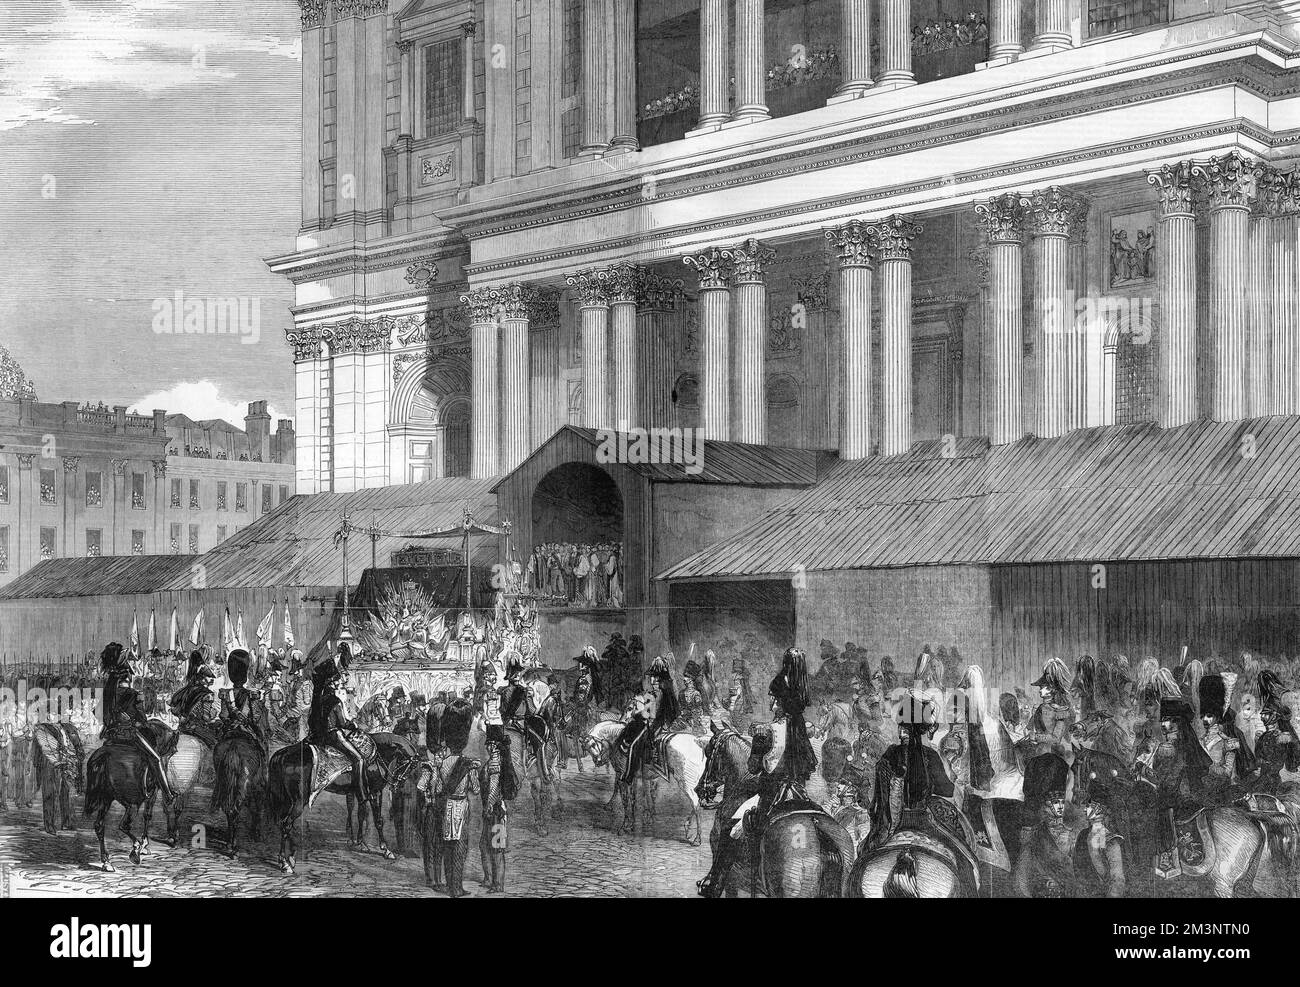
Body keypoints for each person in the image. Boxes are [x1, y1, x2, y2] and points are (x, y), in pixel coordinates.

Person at [100, 642, 176, 804]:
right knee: (155, 758)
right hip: (129, 735)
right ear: (125, 674)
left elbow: (99, 712)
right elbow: (142, 719)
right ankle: (168, 794)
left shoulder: (107, 690)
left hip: (110, 735)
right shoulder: (132, 694)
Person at [421, 700, 479, 897]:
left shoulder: (439, 764)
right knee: (458, 848)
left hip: (443, 806)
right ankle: (455, 887)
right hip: (459, 806)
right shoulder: (468, 765)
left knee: (444, 846)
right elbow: (476, 790)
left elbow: (434, 787)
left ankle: (446, 884)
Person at [307, 654, 370, 805]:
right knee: (359, 759)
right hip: (333, 735)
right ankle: (361, 794)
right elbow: (342, 723)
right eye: (337, 682)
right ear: (332, 684)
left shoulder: (318, 700)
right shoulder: (335, 701)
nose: (339, 684)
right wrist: (353, 725)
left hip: (318, 736)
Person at [500, 657, 551, 781]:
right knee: (540, 743)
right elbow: (504, 711)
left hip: (521, 722)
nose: (517, 675)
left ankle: (542, 771)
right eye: (515, 673)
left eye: (519, 673)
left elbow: (531, 710)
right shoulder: (508, 692)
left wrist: (530, 698)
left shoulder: (524, 691)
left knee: (540, 741)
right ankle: (544, 774)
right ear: (510, 675)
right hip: (516, 724)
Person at [218, 649, 269, 754]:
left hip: (229, 731)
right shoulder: (252, 695)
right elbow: (255, 717)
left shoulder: (225, 694)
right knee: (264, 747)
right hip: (247, 730)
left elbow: (224, 716)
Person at [1026, 658, 1075, 760]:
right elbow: (1030, 728)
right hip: (1040, 752)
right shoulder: (1040, 708)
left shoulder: (1061, 710)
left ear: (1050, 689)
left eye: (1042, 688)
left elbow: (1056, 738)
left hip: (1056, 755)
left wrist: (1036, 737)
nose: (1039, 691)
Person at [479, 733, 510, 893]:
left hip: (496, 810)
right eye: (488, 744)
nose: (489, 747)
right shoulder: (491, 761)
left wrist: (488, 806)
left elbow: (494, 788)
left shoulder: (496, 763)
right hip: (491, 810)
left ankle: (497, 884)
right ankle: (489, 878)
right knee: (484, 846)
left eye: (492, 744)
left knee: (496, 848)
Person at [169, 652, 220, 747]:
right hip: (197, 727)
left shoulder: (185, 691)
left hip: (183, 726)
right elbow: (206, 718)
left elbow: (174, 709)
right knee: (215, 743)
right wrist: (214, 714)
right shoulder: (205, 694)